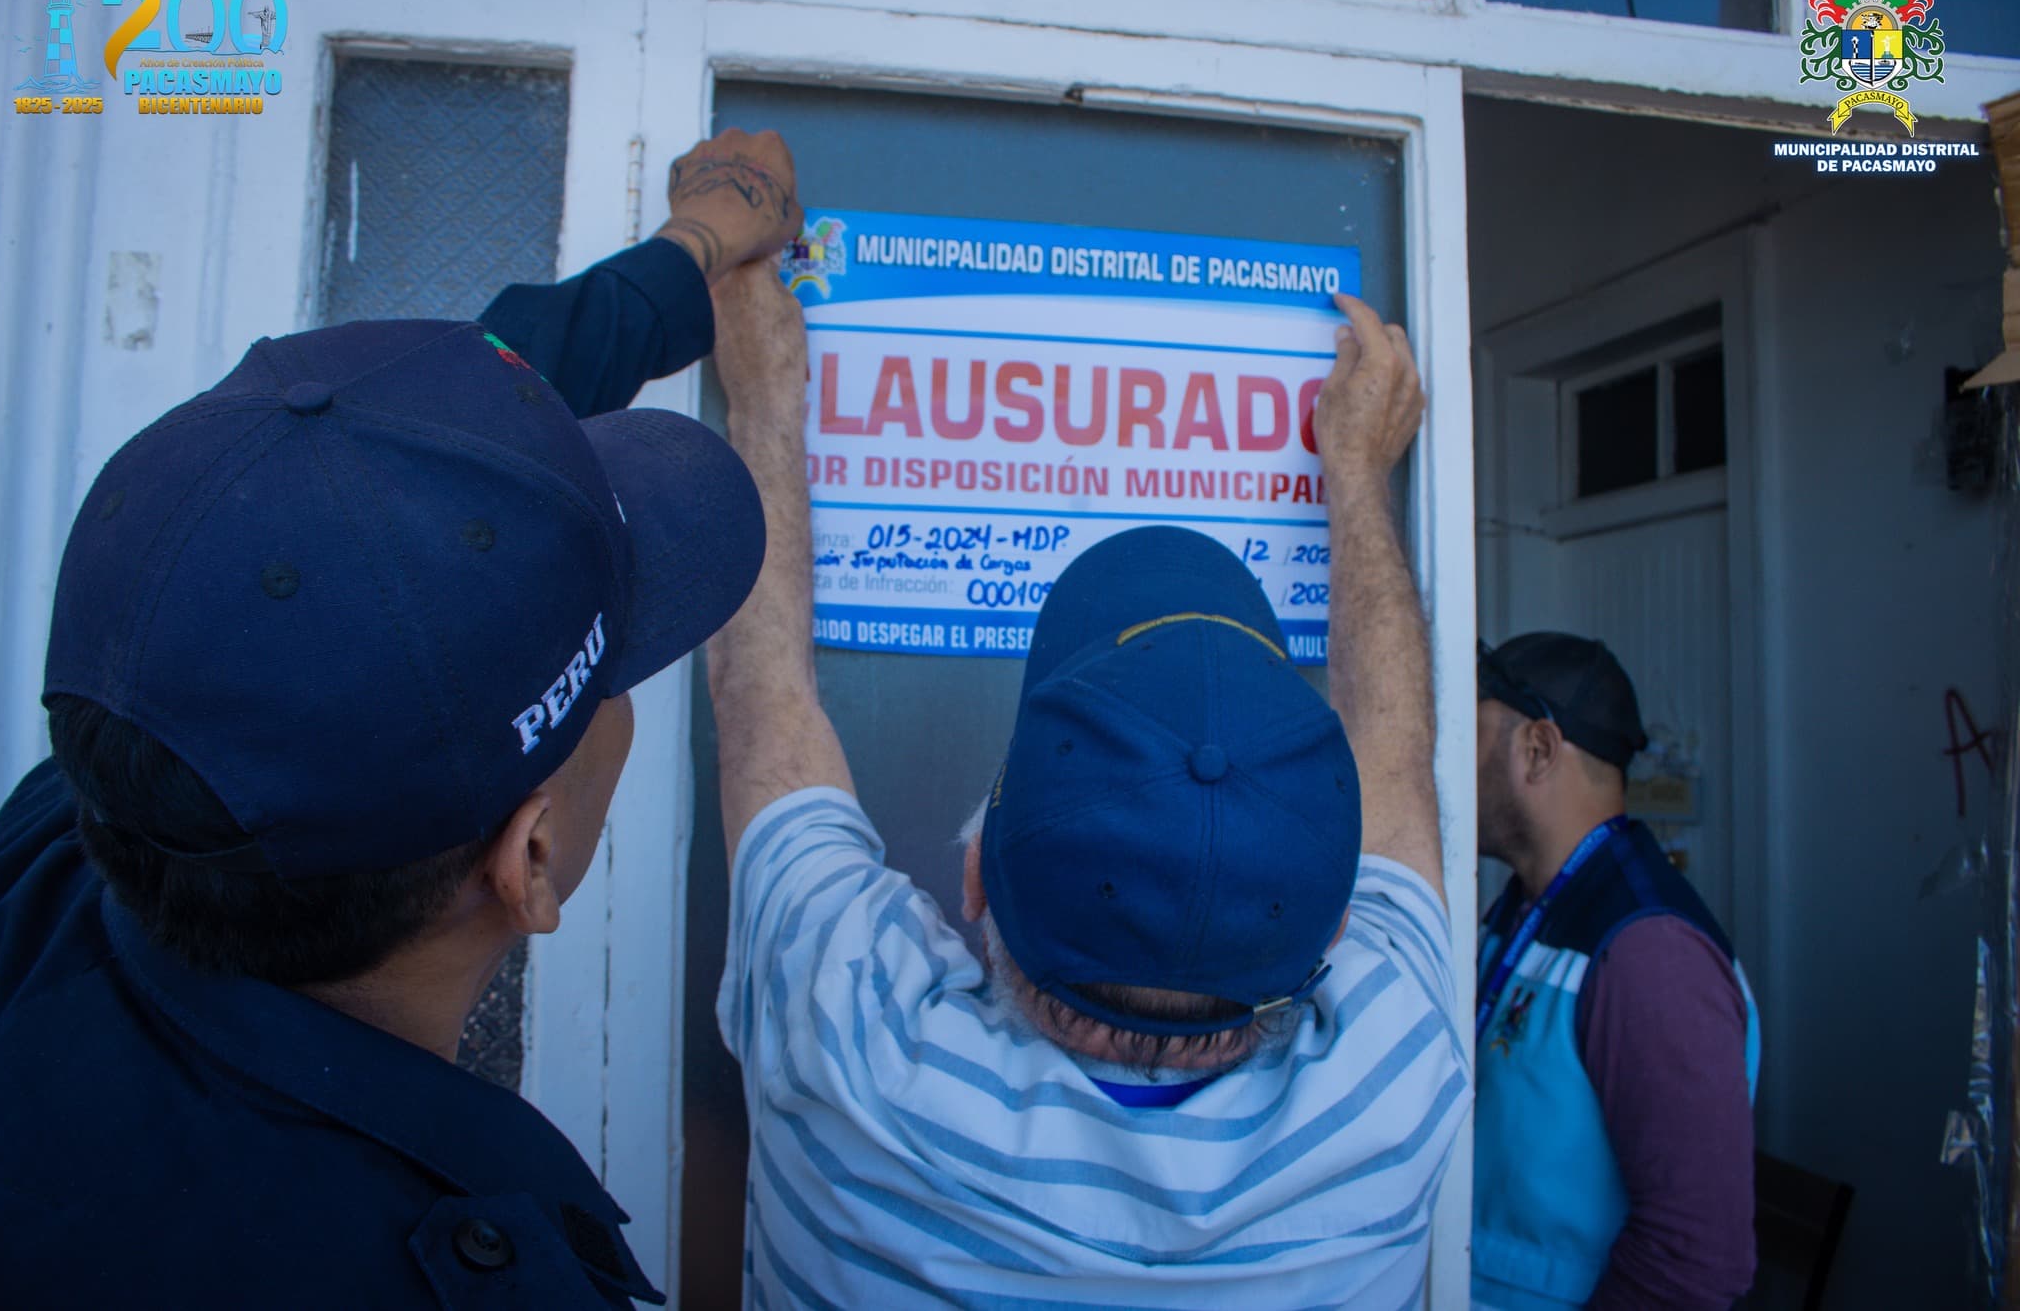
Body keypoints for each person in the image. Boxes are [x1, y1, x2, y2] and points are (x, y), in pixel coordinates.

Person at [0, 129, 799, 1310]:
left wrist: (690, 251)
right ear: (532, 857)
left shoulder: (91, 826)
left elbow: (373, 487)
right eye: (616, 674)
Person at [704, 261, 1470, 1308]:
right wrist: (1359, 473)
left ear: (974, 878)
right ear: (1333, 930)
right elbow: (1392, 762)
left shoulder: (849, 1037)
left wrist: (757, 396)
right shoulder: (1394, 1084)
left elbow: (764, 711)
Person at [1471, 633, 1760, 1310]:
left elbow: (1695, 1259)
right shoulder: (1523, 908)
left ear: (1537, 750)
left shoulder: (1651, 953)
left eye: (1471, 730)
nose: (1446, 759)